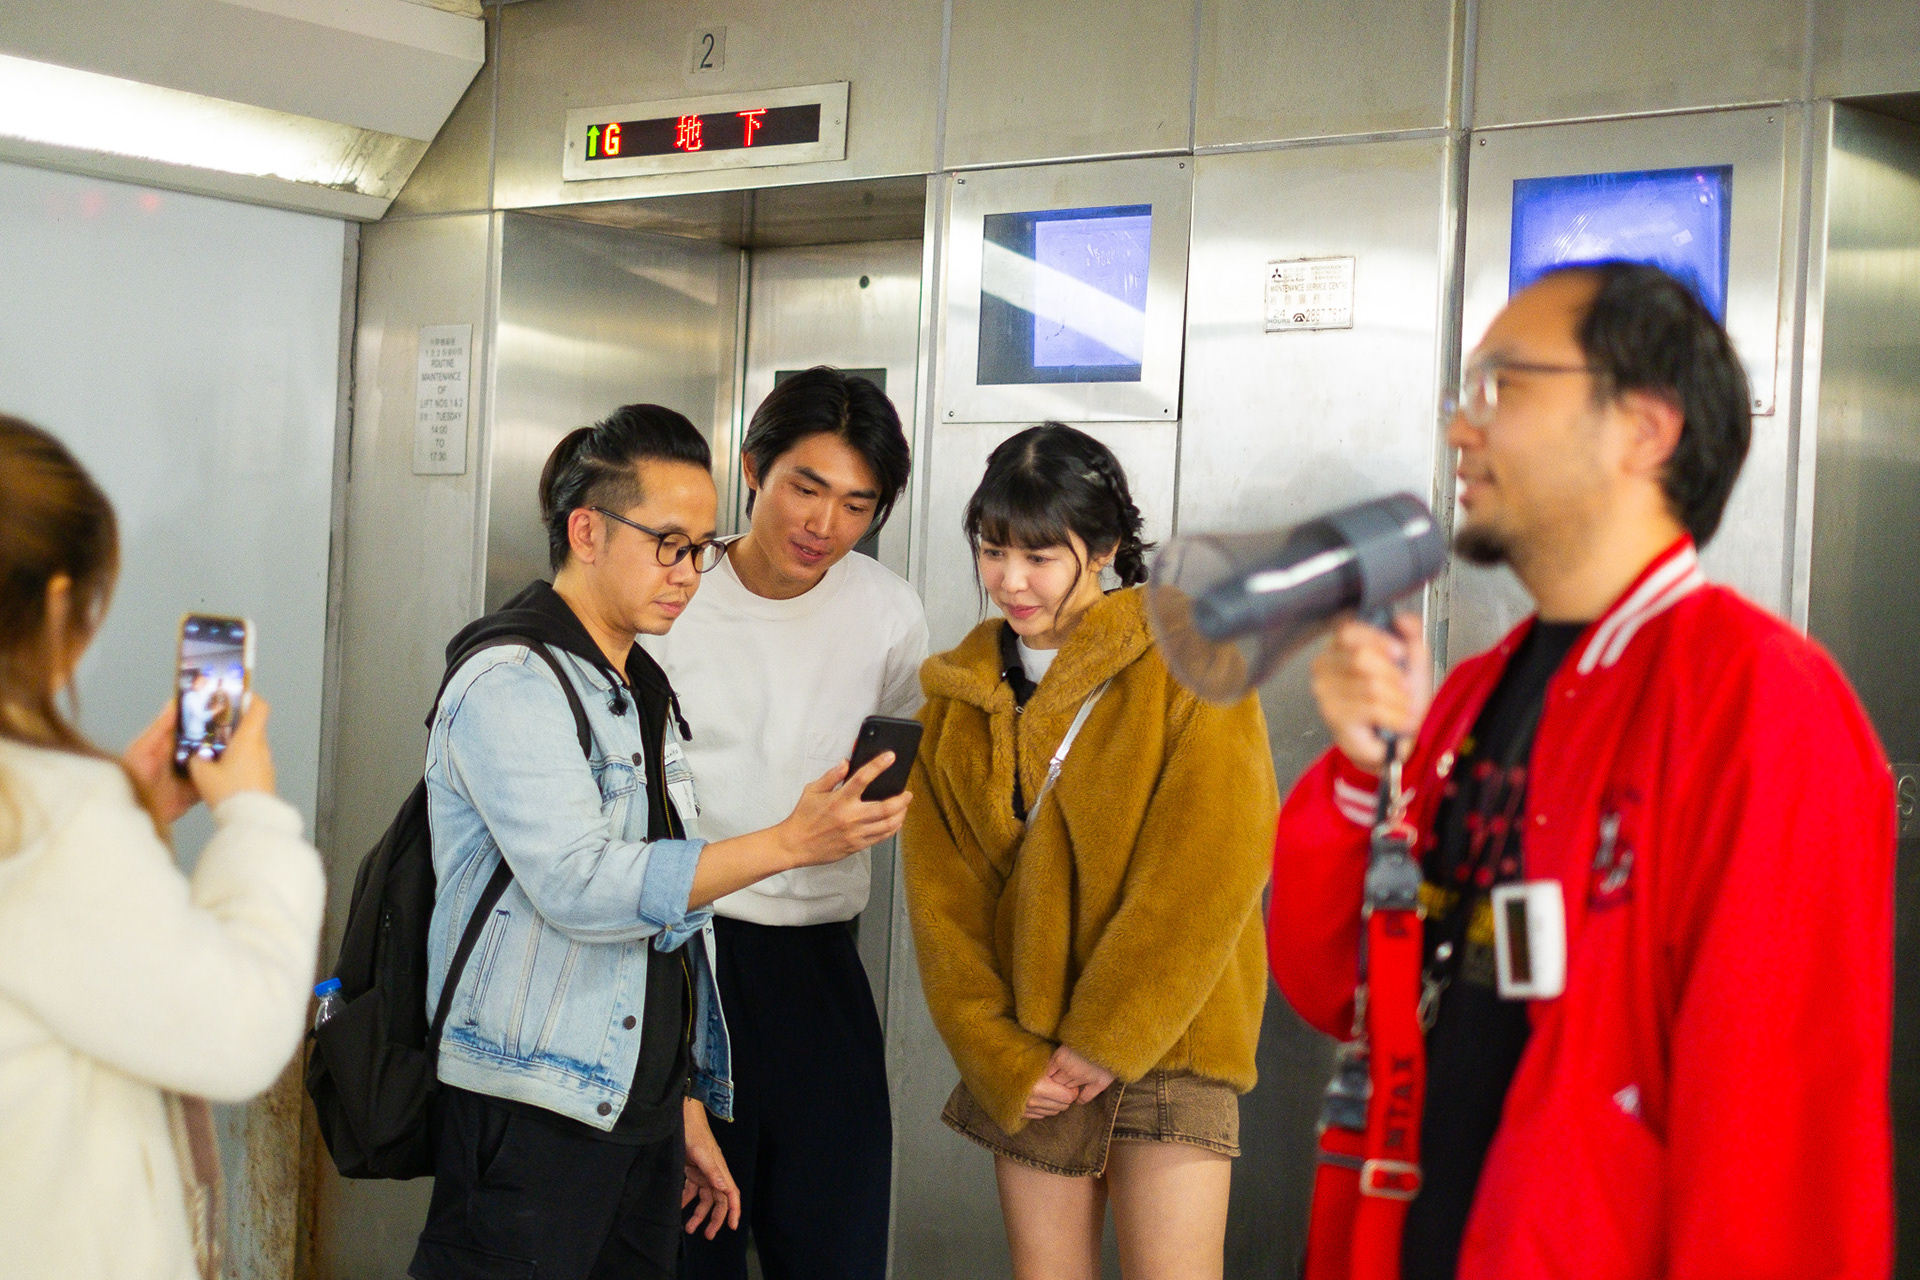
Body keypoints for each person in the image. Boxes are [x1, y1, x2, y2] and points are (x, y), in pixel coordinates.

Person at [1269, 262, 1893, 1280]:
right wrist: (1360, 774)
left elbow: (1781, 1150)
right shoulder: (1478, 695)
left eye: (1500, 387)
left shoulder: (1760, 704)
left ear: (1644, 429)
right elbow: (1342, 985)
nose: (1459, 428)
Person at [411, 404, 911, 1280]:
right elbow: (582, 884)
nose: (688, 574)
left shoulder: (633, 680)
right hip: (539, 1082)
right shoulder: (512, 678)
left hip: (640, 1065)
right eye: (670, 546)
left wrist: (680, 1094)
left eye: (698, 549)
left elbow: (658, 911)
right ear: (587, 533)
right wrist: (788, 843)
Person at [902, 423, 1279, 1280]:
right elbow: (942, 909)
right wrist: (1000, 1056)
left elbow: (1211, 866)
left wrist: (1110, 1035)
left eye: (1039, 556)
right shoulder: (954, 703)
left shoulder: (1189, 657)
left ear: (1104, 549)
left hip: (1171, 1042)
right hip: (1035, 1058)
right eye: (993, 551)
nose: (1011, 580)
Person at [0, 414, 325, 1280]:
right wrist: (252, 817)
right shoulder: (50, 821)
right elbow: (238, 1031)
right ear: (59, 605)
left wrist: (129, 815)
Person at [639, 368, 924, 1279]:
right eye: (806, 487)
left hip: (819, 963)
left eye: (856, 505)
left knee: (834, 1240)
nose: (824, 524)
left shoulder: (889, 612)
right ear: (754, 468)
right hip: (679, 957)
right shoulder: (671, 596)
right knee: (690, 1245)